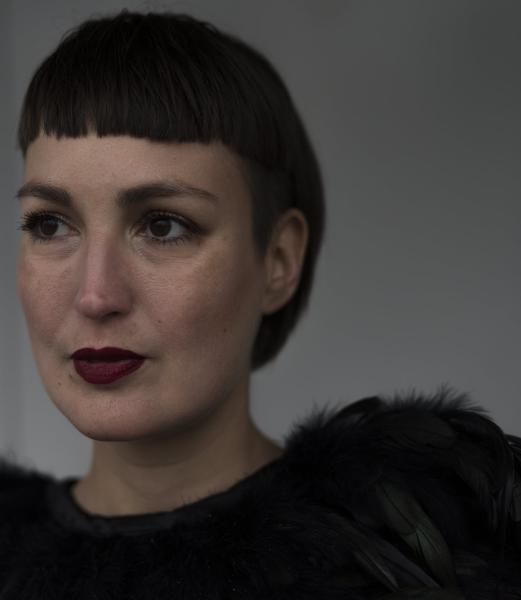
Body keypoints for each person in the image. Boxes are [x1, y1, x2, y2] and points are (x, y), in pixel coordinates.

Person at [1, 8, 520, 599]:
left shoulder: (409, 565)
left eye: (164, 226)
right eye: (49, 224)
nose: (95, 295)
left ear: (278, 259)